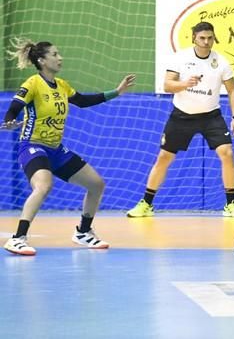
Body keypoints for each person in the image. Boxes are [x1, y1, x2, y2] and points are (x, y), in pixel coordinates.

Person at [2, 38, 136, 256]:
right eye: (54, 54)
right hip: (33, 146)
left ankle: (83, 232)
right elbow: (15, 106)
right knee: (44, 185)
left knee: (97, 184)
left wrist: (116, 92)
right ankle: (18, 238)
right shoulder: (33, 83)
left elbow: (82, 101)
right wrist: (9, 120)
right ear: (42, 60)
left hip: (56, 149)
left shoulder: (62, 85)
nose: (60, 58)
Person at [126, 21, 234, 218]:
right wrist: (185, 84)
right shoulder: (180, 58)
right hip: (182, 116)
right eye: (202, 38)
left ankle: (231, 204)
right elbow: (167, 85)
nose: (206, 42)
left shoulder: (222, 62)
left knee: (227, 153)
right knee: (164, 158)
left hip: (211, 116)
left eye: (209, 38)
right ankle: (146, 204)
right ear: (194, 38)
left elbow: (232, 91)